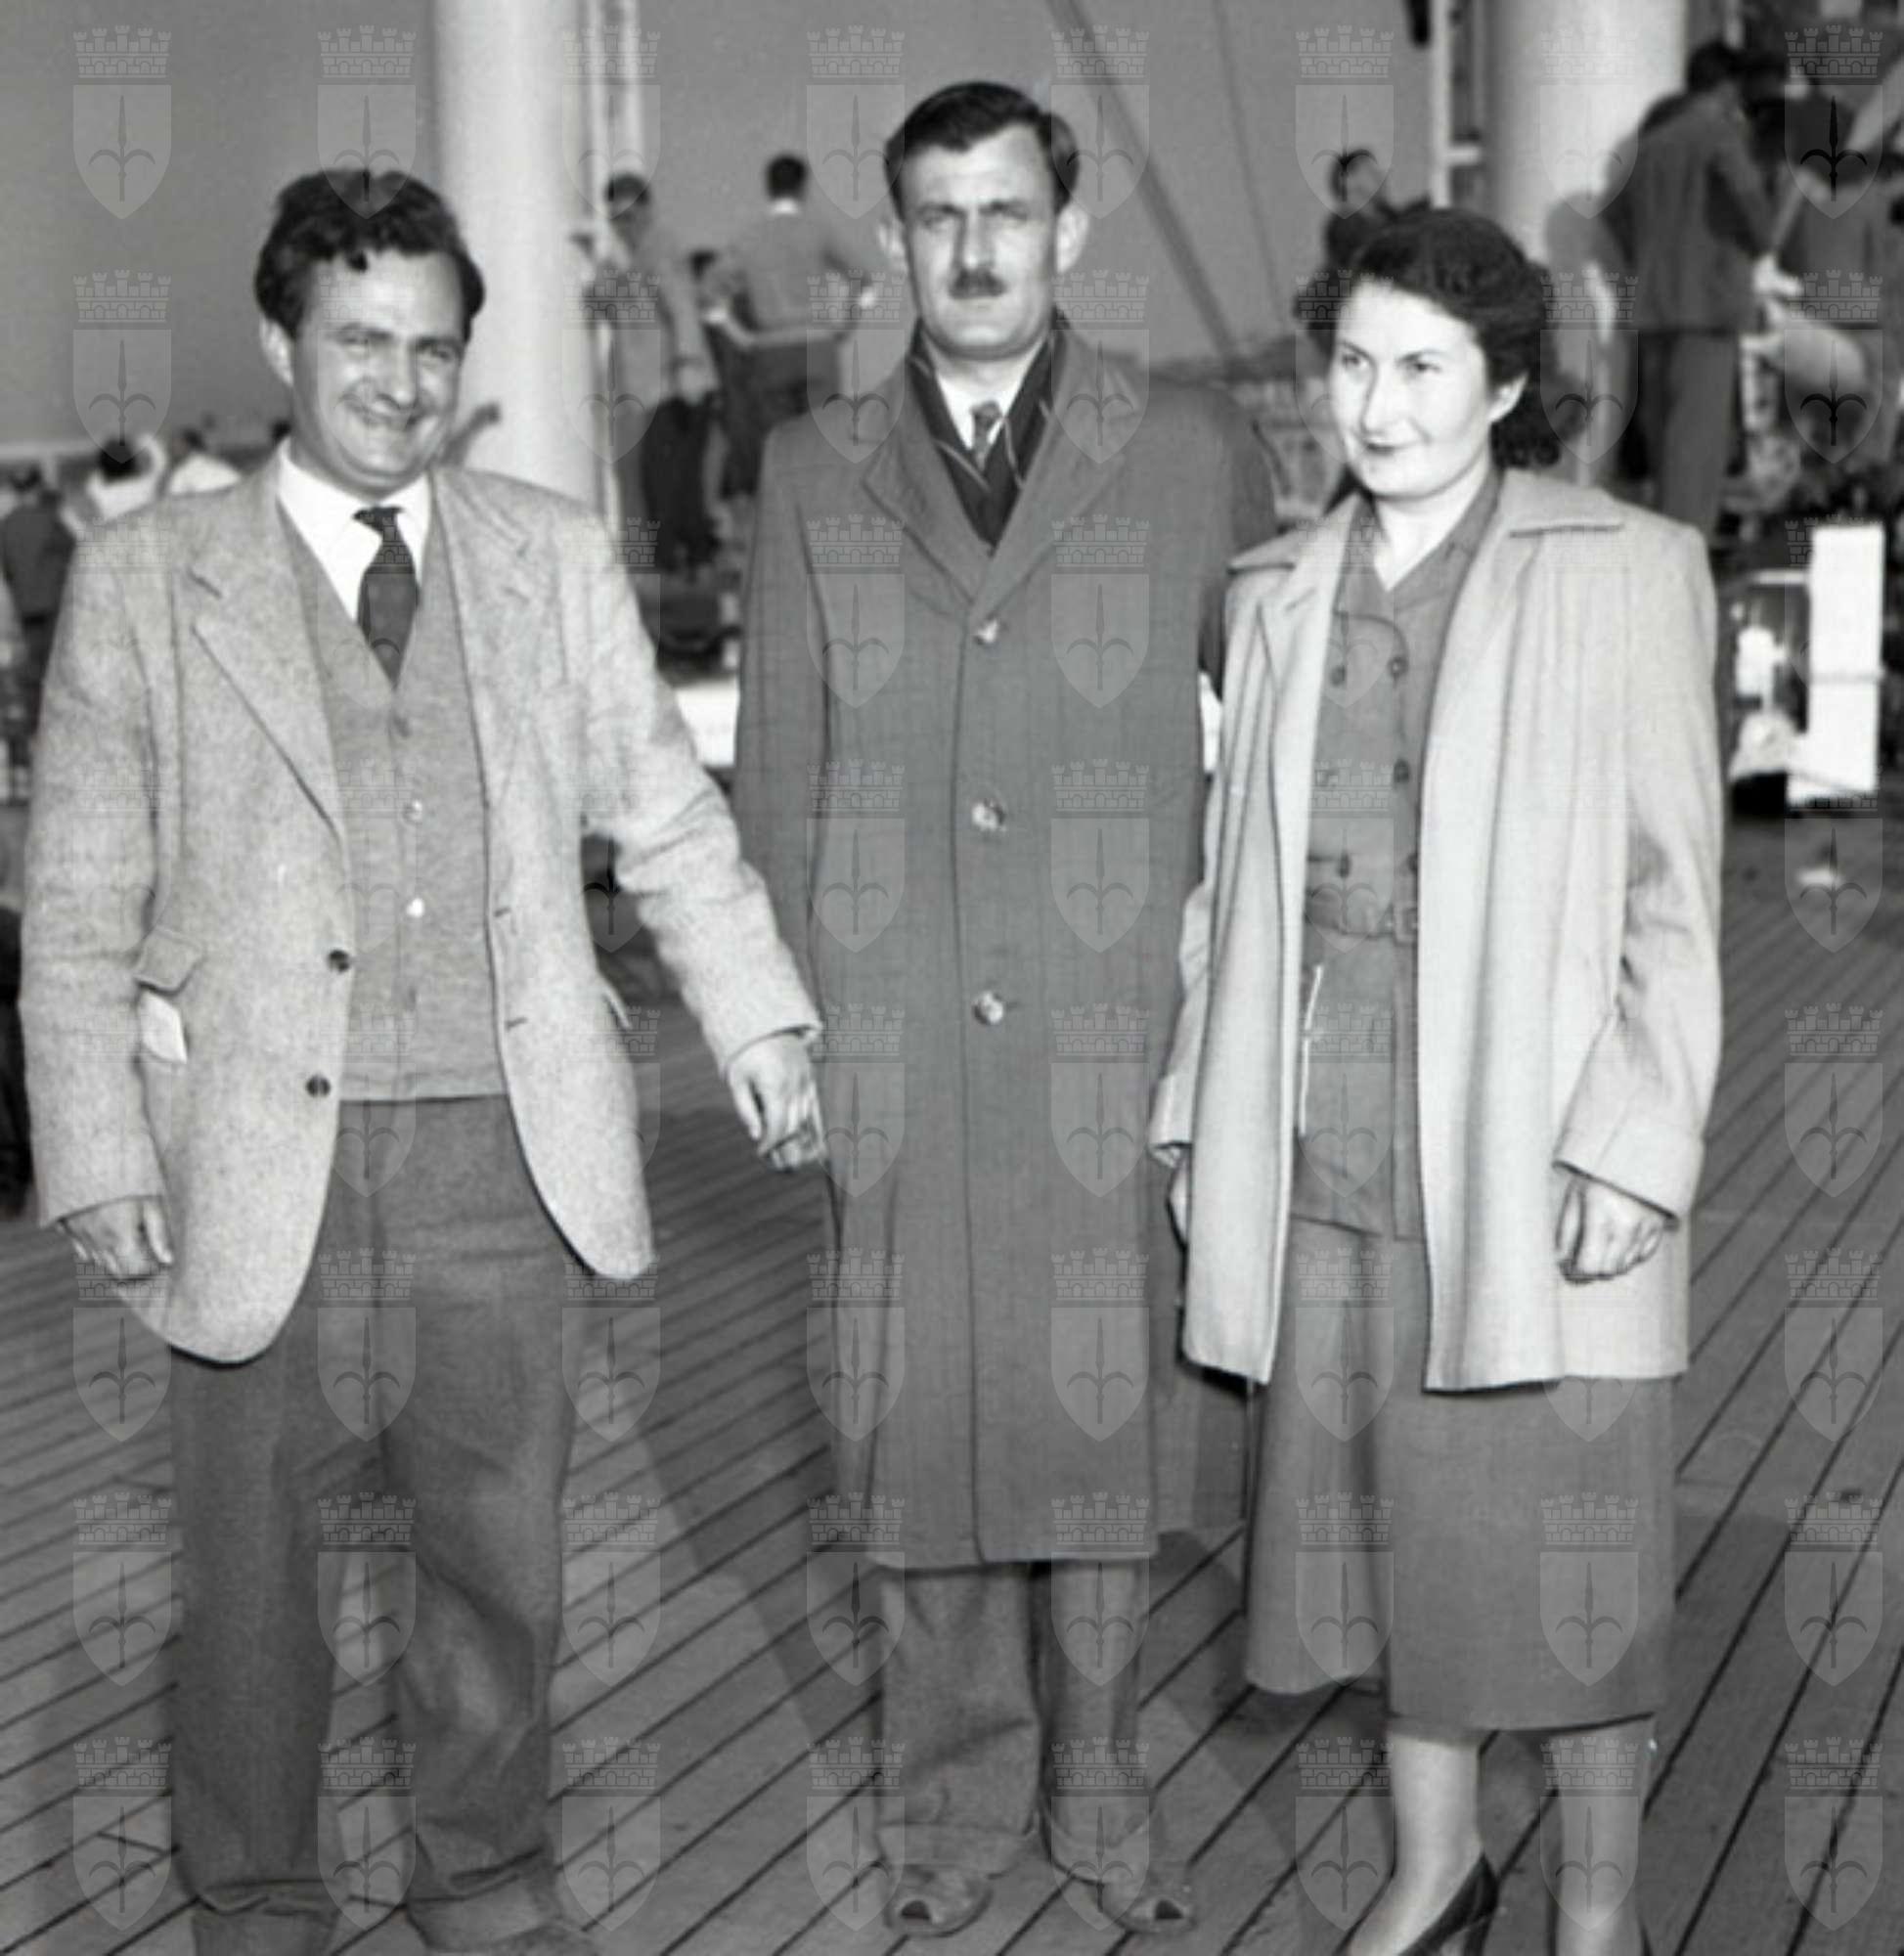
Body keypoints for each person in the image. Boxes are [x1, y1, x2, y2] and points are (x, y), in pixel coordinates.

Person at [22, 169, 820, 1956]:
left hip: (501, 1152)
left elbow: (665, 814)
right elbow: (74, 902)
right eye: (361, 340)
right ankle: (255, 1897)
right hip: (248, 1161)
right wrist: (95, 1149)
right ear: (280, 342)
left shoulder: (552, 554)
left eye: (433, 348)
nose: (398, 381)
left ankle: (485, 1878)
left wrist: (758, 1013)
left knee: (497, 1564)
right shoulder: (146, 579)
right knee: (250, 1584)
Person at [732, 80, 1276, 1938]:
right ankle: (943, 1814)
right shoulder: (807, 467)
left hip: (1113, 1035)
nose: (974, 249)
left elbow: (1276, 739)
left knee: (1096, 1427)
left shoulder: (1190, 448)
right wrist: (778, 1022)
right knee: (912, 1427)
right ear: (894, 239)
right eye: (939, 215)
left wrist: (1253, 1015)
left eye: (1008, 211)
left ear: (1069, 228)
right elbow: (777, 769)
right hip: (888, 1031)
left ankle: (1100, 1789)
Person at [1151, 208, 1722, 1956]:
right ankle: (1436, 1870)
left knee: (1563, 1549)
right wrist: (1188, 1114)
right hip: (1321, 1150)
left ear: (1505, 384)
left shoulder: (1621, 569)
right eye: (1350, 363)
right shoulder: (1267, 593)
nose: (1377, 406)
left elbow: (1673, 891)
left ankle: (1597, 1915)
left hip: (1533, 1151)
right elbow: (1221, 894)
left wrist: (1632, 1145)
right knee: (1392, 1540)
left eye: (1420, 367)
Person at [1604, 39, 1781, 540]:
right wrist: (1759, 240)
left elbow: (1614, 215)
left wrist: (1650, 258)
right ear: (1727, 88)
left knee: (1663, 442)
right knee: (1697, 447)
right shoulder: (1719, 134)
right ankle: (1683, 554)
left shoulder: (1652, 145)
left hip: (1653, 308)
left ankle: (1663, 543)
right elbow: (1753, 208)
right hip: (1708, 308)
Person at [712, 153, 884, 496]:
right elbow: (865, 279)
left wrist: (739, 334)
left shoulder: (749, 237)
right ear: (803, 187)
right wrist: (847, 322)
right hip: (817, 346)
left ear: (768, 188)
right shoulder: (817, 231)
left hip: (771, 349)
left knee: (780, 447)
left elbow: (709, 292)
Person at [582, 170, 716, 556]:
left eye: (631, 217)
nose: (625, 227)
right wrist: (604, 272)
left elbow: (682, 308)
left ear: (647, 211)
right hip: (651, 389)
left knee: (668, 484)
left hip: (676, 385)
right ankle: (683, 568)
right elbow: (606, 307)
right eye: (617, 219)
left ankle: (680, 570)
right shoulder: (628, 260)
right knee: (665, 484)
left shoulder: (659, 248)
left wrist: (688, 365)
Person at [0, 465, 76, 739]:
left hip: (25, 604)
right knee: (59, 666)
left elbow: (8, 570)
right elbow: (75, 553)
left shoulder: (6, 525)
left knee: (33, 669)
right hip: (55, 603)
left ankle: (36, 726)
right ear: (37, 486)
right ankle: (63, 726)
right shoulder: (51, 519)